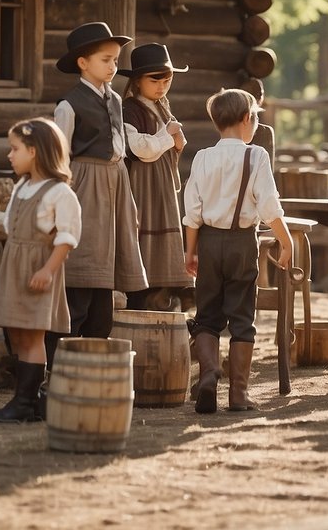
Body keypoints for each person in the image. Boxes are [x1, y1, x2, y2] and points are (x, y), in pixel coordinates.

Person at [184, 88, 293, 414]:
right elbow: (270, 207)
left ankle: (207, 375)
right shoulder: (256, 156)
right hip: (242, 243)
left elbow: (192, 213)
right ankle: (238, 395)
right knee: (243, 319)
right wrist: (286, 242)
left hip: (208, 242)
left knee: (206, 318)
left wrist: (190, 253)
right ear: (247, 119)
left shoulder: (203, 157)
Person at [50, 22, 148, 368]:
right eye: (106, 60)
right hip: (84, 184)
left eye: (115, 60)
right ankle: (61, 360)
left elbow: (119, 146)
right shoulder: (69, 104)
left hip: (115, 182)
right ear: (82, 63)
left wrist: (126, 195)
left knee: (107, 269)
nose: (113, 66)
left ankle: (95, 351)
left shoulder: (116, 99)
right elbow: (59, 158)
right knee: (84, 265)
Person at [0, 118, 81, 423]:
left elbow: (67, 237)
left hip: (37, 269)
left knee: (32, 336)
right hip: (15, 267)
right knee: (17, 333)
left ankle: (25, 402)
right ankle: (31, 399)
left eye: (15, 149)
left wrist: (48, 270)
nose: (9, 155)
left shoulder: (59, 193)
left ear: (34, 151)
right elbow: (9, 227)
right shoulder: (22, 188)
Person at [120, 43, 192, 311]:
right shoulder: (130, 109)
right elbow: (140, 149)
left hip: (161, 185)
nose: (162, 86)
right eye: (155, 80)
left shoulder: (162, 107)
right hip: (143, 185)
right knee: (145, 231)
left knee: (164, 230)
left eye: (167, 79)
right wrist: (168, 135)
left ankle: (163, 292)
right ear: (137, 81)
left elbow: (167, 144)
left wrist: (176, 141)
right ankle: (142, 290)